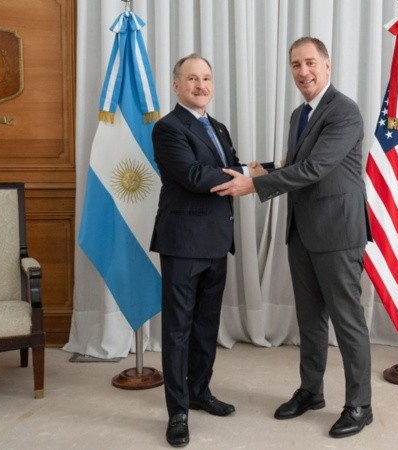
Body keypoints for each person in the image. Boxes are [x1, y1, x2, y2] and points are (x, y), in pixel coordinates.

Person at [211, 37, 373, 438]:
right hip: (301, 231)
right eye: (296, 66)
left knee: (347, 322)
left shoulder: (344, 111)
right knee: (310, 321)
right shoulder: (298, 115)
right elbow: (292, 164)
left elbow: (315, 168)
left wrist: (255, 187)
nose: (303, 72)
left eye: (310, 63)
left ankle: (359, 405)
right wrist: (256, 171)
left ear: (327, 65)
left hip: (337, 231)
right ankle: (311, 391)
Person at [150, 53, 263, 447]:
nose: (201, 86)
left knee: (205, 327)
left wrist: (262, 169)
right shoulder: (167, 128)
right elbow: (195, 176)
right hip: (183, 243)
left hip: (217, 241)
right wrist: (247, 175)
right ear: (177, 85)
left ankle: (199, 392)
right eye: (192, 79)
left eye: (207, 79)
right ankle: (177, 411)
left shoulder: (218, 126)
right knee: (178, 329)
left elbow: (229, 167)